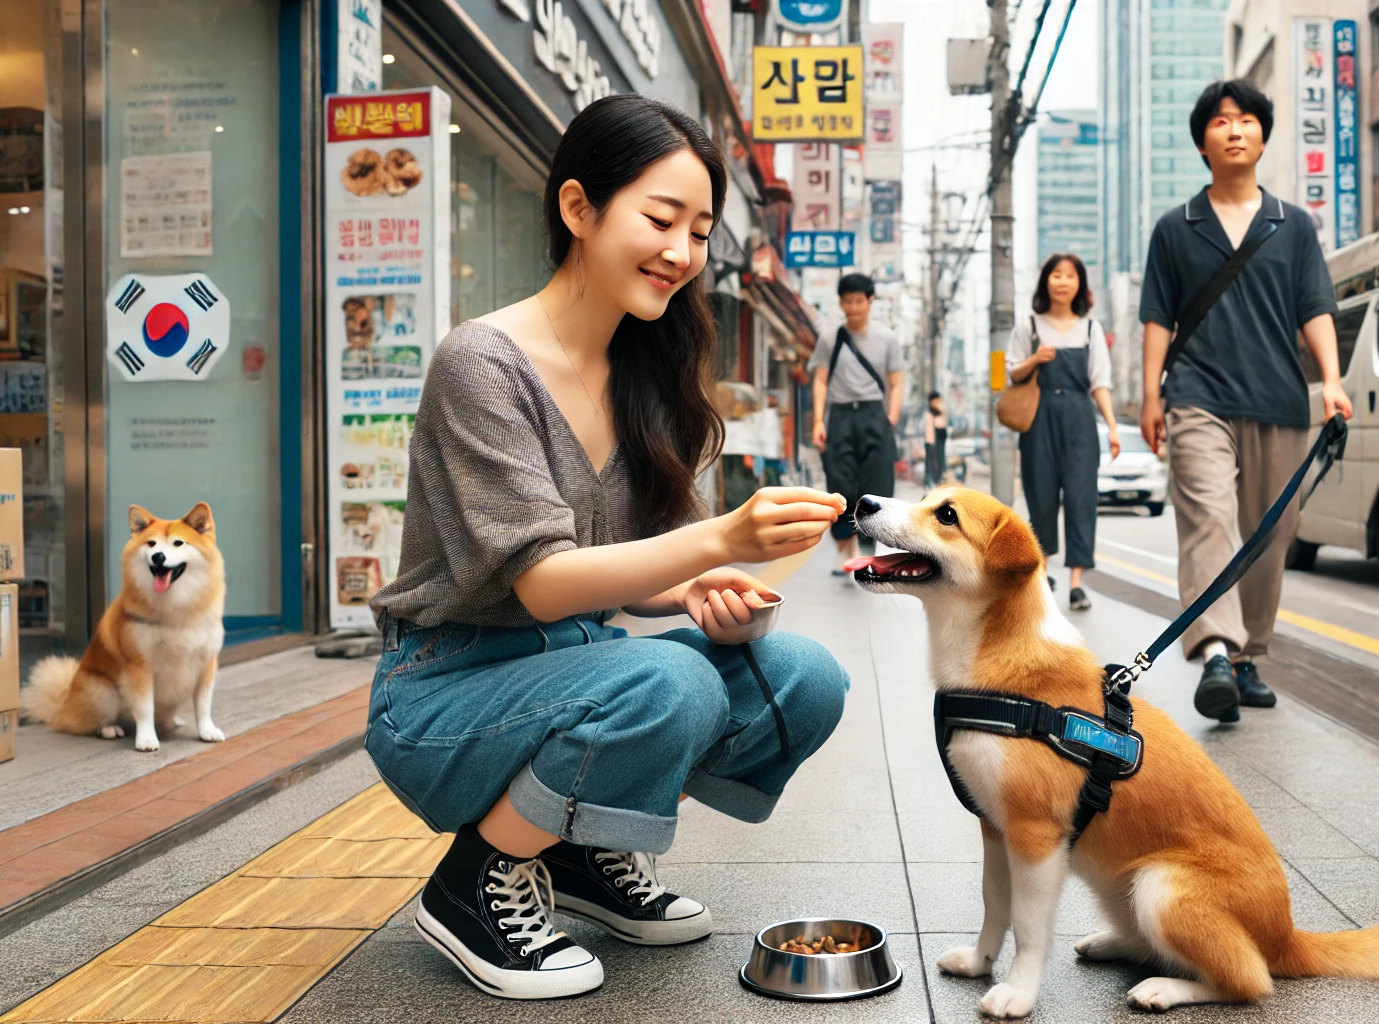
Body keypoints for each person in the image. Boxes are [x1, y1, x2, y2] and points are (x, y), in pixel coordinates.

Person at [365, 94, 851, 1000]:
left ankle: (581, 849)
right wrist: (723, 536)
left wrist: (711, 591)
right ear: (579, 209)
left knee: (802, 674)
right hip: (443, 689)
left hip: (577, 670)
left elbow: (643, 577)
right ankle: (472, 886)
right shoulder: (483, 363)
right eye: (661, 219)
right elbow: (548, 586)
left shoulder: (649, 373)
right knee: (669, 681)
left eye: (701, 231)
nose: (683, 252)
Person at [1138, 80, 1353, 725]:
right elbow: (1157, 317)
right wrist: (1152, 393)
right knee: (1209, 517)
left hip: (1278, 397)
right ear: (1203, 141)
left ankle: (1249, 655)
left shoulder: (1293, 226)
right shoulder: (1176, 228)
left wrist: (1333, 380)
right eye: (1222, 121)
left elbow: (1314, 306)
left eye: (1248, 120)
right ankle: (1216, 653)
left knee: (1270, 529)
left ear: (1263, 135)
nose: (1235, 129)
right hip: (1198, 394)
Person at [1008, 253, 1122, 612]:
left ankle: (1076, 583)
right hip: (1038, 418)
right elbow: (1012, 371)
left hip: (1079, 420)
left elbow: (1100, 383)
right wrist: (1035, 360)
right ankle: (1040, 573)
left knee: (1080, 498)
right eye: (1056, 275)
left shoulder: (1091, 329)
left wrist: (1113, 427)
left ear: (1079, 285)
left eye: (1069, 276)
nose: (1062, 282)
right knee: (1040, 497)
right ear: (1046, 282)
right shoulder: (1029, 325)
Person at [810, 273, 903, 575]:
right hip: (839, 416)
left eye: (859, 301)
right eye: (847, 301)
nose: (853, 307)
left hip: (874, 414)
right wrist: (817, 421)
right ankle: (843, 550)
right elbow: (821, 379)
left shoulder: (887, 338)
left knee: (876, 485)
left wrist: (891, 415)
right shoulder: (830, 337)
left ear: (870, 301)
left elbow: (896, 380)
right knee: (839, 483)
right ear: (840, 302)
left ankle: (869, 553)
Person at [923, 391, 949, 488]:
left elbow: (943, 424)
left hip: (941, 442)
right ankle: (929, 483)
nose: (939, 402)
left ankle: (939, 481)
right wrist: (931, 444)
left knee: (940, 463)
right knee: (931, 464)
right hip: (932, 442)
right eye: (937, 400)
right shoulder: (930, 414)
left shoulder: (940, 413)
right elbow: (930, 430)